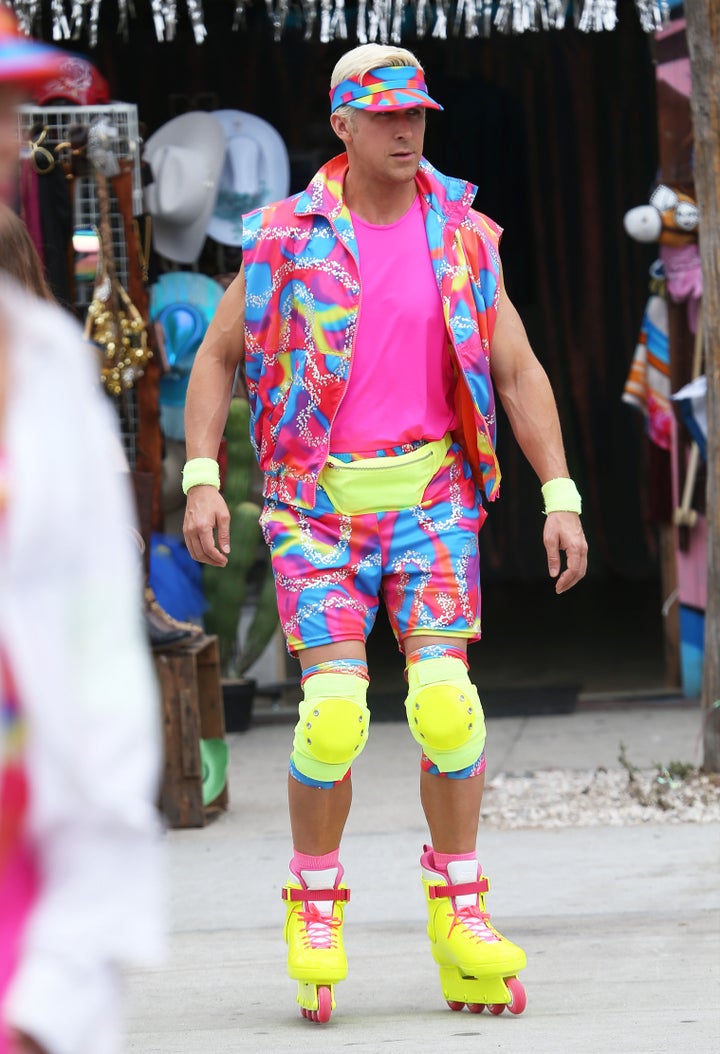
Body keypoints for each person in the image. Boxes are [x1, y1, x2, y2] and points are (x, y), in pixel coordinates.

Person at [183, 43, 588, 1023]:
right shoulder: (285, 237)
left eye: (418, 114)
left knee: (447, 704)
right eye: (388, 115)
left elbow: (521, 370)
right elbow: (216, 357)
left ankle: (462, 913)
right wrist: (202, 477)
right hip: (316, 508)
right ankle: (314, 903)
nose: (408, 130)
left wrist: (561, 492)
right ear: (344, 125)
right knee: (333, 713)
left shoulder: (461, 236)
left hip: (433, 502)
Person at [0, 12, 163, 1054]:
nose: (14, 141)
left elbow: (100, 655)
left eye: (12, 113)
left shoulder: (48, 358)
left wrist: (87, 940)